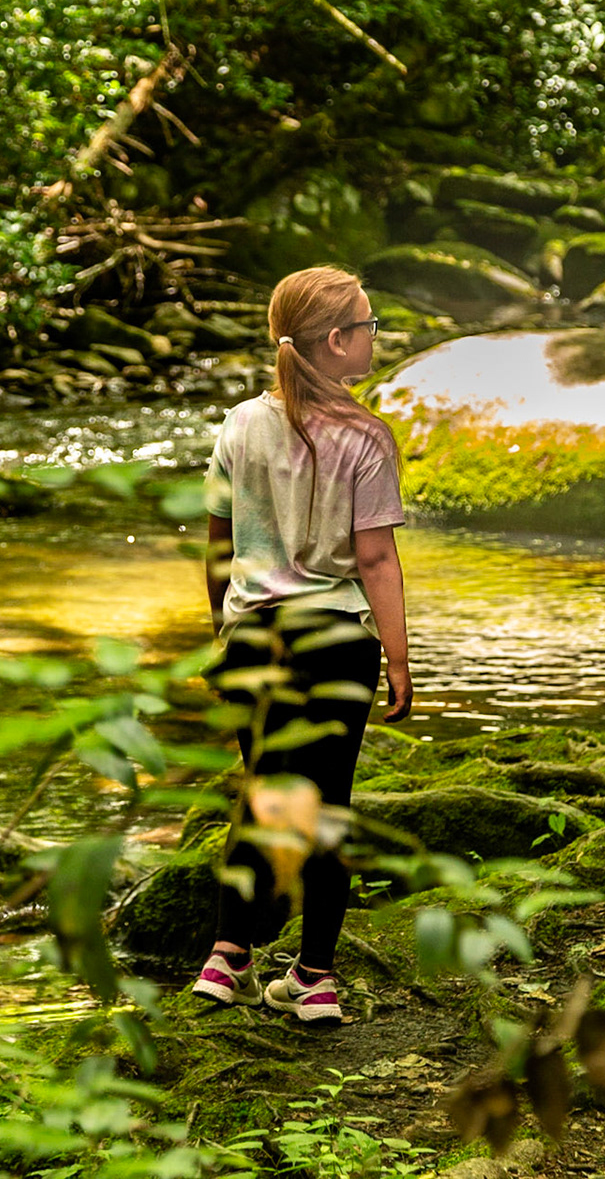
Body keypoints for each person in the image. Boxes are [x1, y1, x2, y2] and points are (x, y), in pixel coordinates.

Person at [190, 265, 413, 1024]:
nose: (377, 336)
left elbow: (218, 544)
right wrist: (400, 658)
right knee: (326, 809)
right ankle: (314, 979)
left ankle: (228, 961)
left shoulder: (239, 425)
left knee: (260, 800)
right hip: (334, 644)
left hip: (255, 639)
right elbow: (377, 558)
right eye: (370, 325)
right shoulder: (366, 437)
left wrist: (225, 627)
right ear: (339, 343)